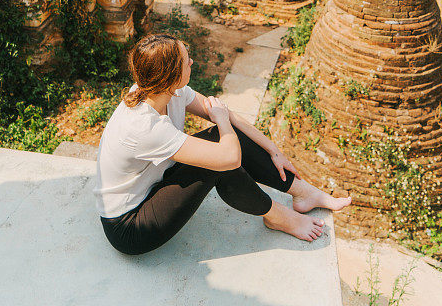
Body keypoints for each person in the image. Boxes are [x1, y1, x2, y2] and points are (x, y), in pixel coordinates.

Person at [94, 34, 351, 256]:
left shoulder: (160, 89)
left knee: (222, 135)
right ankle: (278, 218)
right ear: (172, 76)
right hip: (131, 226)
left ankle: (304, 192)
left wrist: (273, 149)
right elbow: (230, 157)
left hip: (152, 188)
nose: (192, 62)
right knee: (217, 160)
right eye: (186, 61)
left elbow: (225, 115)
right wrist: (221, 121)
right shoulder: (144, 127)